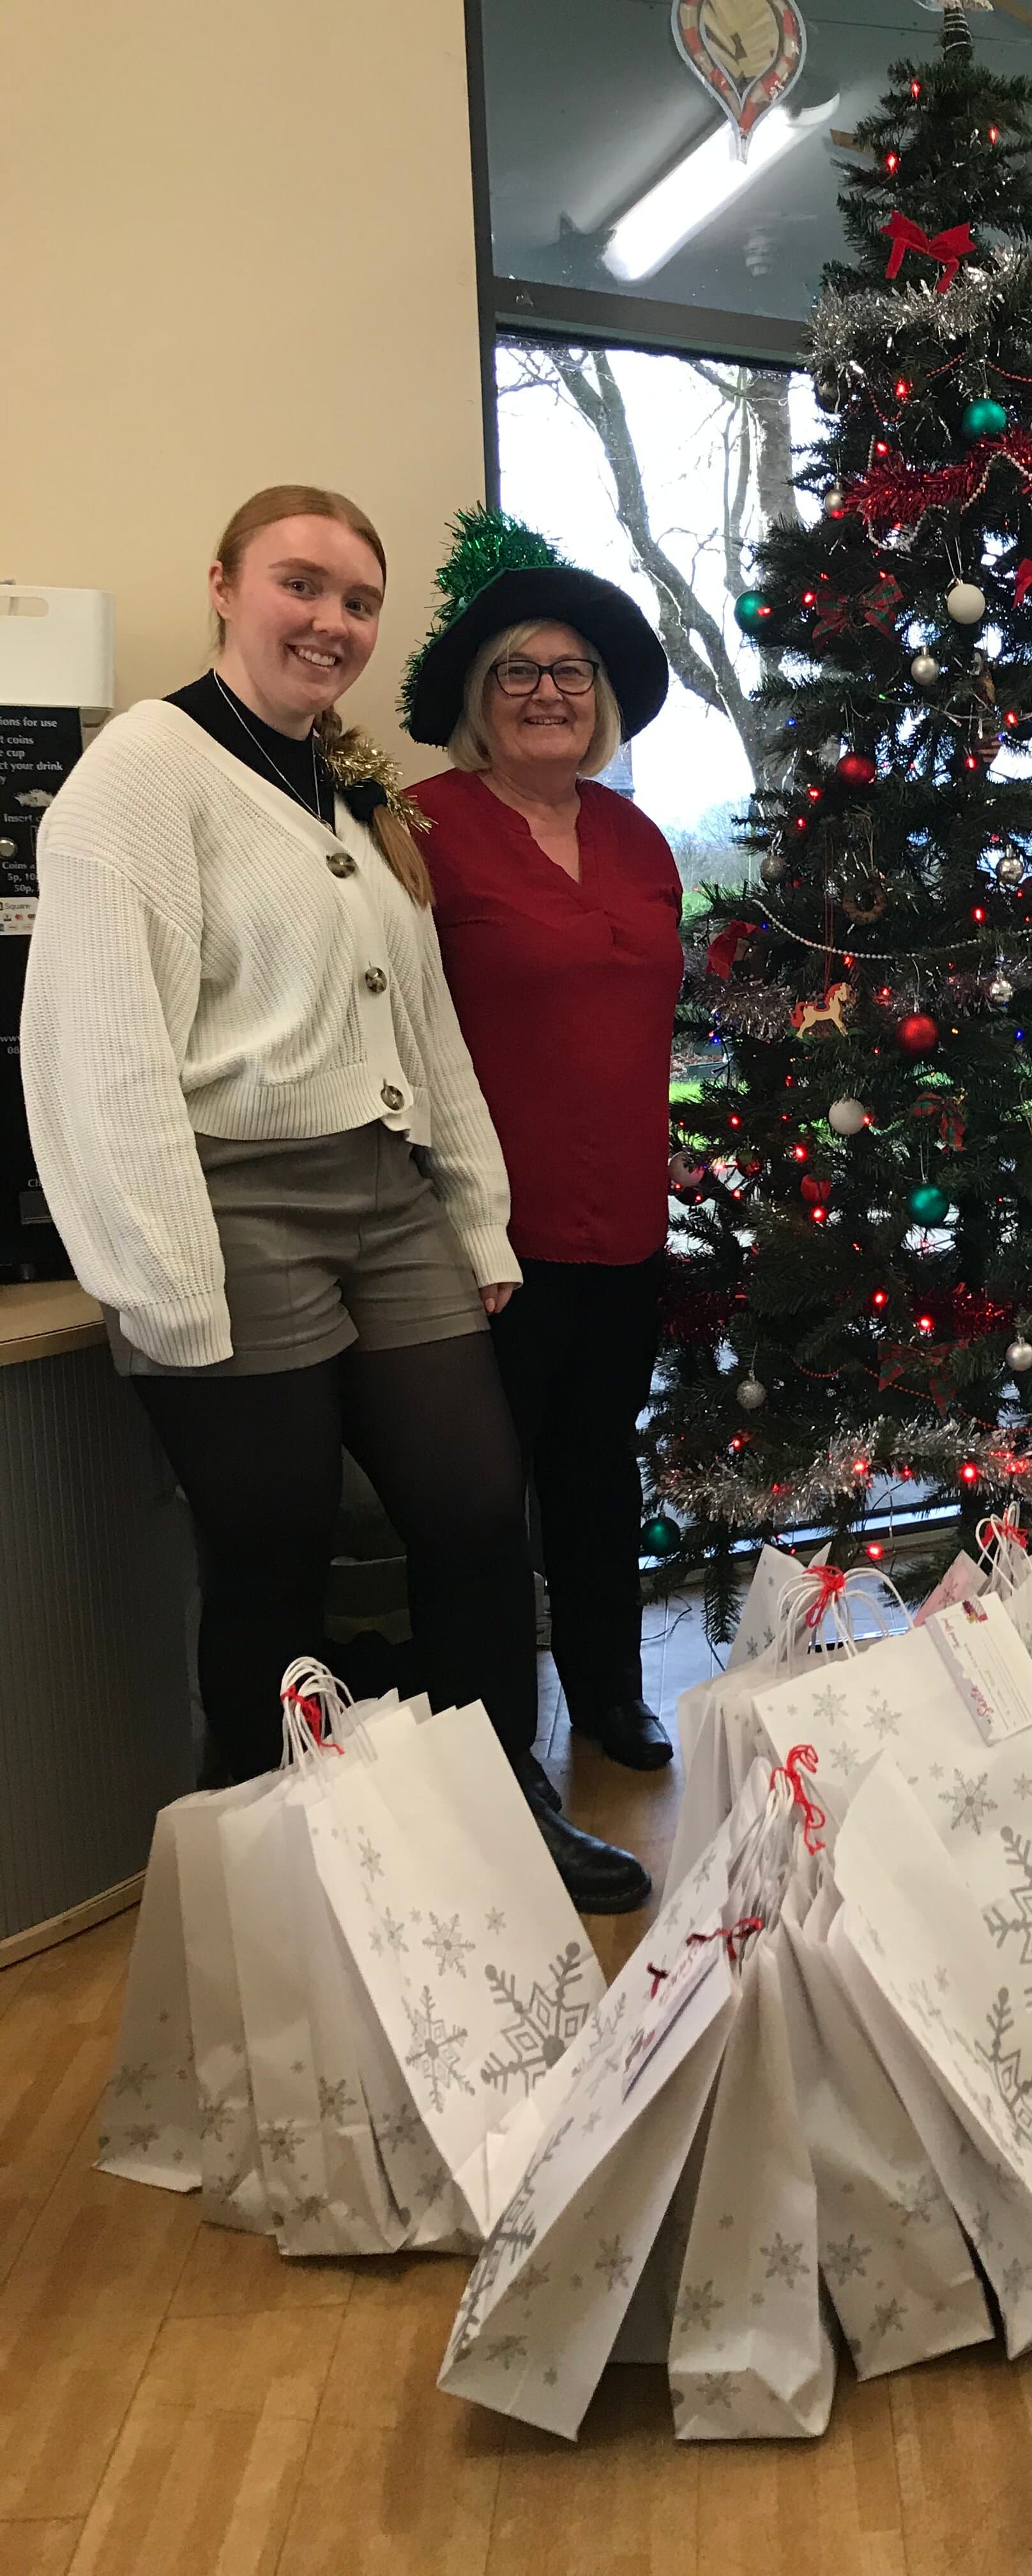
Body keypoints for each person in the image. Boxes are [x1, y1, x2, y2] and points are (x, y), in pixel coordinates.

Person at [19, 484, 649, 1913]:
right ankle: (274, 1862)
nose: (332, 621)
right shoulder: (144, 772)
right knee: (274, 1546)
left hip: (387, 1200)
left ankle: (503, 1807)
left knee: (480, 1511)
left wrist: (475, 1214)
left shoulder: (347, 791)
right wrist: (165, 1281)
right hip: (230, 1209)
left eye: (358, 601)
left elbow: (426, 1032)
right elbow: (97, 1050)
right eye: (302, 586)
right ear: (226, 585)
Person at [402, 517, 686, 1776]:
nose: (547, 693)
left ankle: (610, 1695)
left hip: (624, 1221)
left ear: (603, 701)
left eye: (572, 674)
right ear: (480, 695)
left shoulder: (637, 841)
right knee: (479, 1502)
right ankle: (491, 1740)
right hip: (483, 1236)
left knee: (596, 1470)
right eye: (518, 670)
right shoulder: (420, 827)